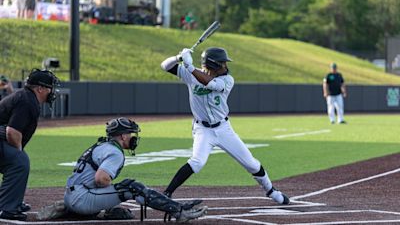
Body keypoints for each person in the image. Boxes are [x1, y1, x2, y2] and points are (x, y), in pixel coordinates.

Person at [160, 47, 290, 205]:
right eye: (222, 63)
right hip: (203, 130)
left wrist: (190, 66)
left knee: (251, 163)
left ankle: (271, 190)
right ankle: (167, 193)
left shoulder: (227, 80)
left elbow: (211, 84)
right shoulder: (191, 75)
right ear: (213, 65)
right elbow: (165, 66)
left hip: (223, 129)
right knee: (197, 162)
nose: (225, 66)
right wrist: (178, 57)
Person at [37, 117, 207, 222]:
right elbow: (100, 179)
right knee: (131, 186)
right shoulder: (114, 152)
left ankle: (70, 209)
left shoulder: (103, 145)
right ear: (123, 136)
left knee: (125, 189)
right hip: (82, 198)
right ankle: (179, 211)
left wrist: (111, 195)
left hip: (73, 195)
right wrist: (117, 193)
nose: (134, 138)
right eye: (131, 134)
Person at [0, 69, 59, 221]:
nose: (51, 91)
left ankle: (12, 202)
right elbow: (12, 132)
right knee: (19, 161)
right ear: (40, 89)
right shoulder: (27, 101)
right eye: (49, 87)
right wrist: (18, 152)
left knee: (18, 161)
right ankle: (8, 208)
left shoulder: (26, 97)